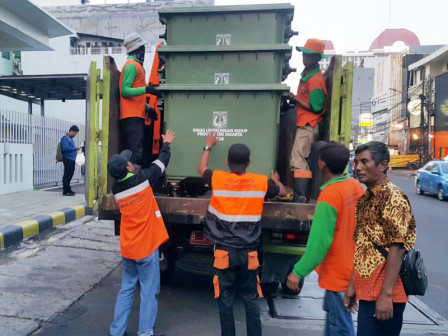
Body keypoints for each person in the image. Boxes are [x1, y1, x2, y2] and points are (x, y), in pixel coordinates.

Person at [197, 132, 287, 336]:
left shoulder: (218, 179)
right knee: (250, 297)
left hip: (224, 252)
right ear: (249, 162)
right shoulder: (260, 182)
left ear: (227, 162)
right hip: (249, 253)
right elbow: (281, 192)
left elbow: (201, 169)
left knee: (225, 297)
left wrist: (208, 146)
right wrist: (276, 180)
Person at [286, 142, 364, 336]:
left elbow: (319, 243)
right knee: (333, 324)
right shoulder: (356, 187)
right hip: (352, 272)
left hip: (338, 273)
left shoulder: (329, 196)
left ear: (321, 164)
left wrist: (298, 271)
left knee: (341, 328)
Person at [344, 141, 416, 336]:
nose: (357, 167)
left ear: (383, 165)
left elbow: (397, 248)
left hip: (385, 295)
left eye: (364, 162)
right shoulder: (367, 199)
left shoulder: (393, 198)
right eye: (355, 162)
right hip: (368, 292)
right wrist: (353, 286)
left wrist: (386, 296)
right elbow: (363, 248)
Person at [107, 130, 175, 336]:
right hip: (146, 248)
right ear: (128, 167)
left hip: (128, 249)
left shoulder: (117, 190)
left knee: (127, 289)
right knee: (148, 291)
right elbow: (161, 163)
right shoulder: (144, 180)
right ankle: (145, 332)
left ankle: (116, 331)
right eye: (129, 162)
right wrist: (167, 143)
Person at [289, 38, 328, 203]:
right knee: (299, 157)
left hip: (309, 124)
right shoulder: (308, 76)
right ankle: (301, 195)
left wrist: (295, 99)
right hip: (306, 123)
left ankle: (301, 196)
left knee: (298, 158)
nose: (304, 58)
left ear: (317, 58)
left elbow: (317, 107)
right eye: (304, 54)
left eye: (308, 55)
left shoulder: (315, 80)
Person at [119, 32, 160, 168]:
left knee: (138, 153)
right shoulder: (131, 65)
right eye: (142, 48)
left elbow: (138, 96)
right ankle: (133, 184)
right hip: (132, 117)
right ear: (137, 49)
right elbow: (124, 91)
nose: (144, 51)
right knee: (136, 155)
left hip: (136, 116)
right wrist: (146, 90)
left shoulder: (137, 66)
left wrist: (149, 109)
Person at [61, 125, 80, 196]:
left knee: (70, 174)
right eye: (75, 133)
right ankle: (66, 191)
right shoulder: (65, 138)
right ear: (72, 131)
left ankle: (68, 189)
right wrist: (74, 148)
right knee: (67, 175)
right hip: (68, 159)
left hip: (71, 159)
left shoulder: (70, 138)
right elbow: (64, 148)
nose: (75, 135)